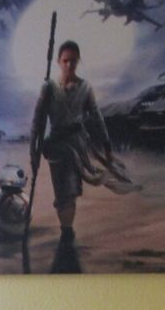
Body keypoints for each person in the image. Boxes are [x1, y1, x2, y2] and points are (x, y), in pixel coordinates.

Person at [30, 40, 139, 252]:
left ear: (78, 61)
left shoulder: (85, 87)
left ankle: (67, 232)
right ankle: (66, 231)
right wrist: (33, 154)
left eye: (73, 61)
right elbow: (37, 121)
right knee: (63, 192)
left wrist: (107, 148)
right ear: (58, 61)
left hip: (78, 145)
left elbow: (97, 118)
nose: (69, 65)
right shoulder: (48, 87)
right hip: (57, 147)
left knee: (71, 191)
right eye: (65, 61)